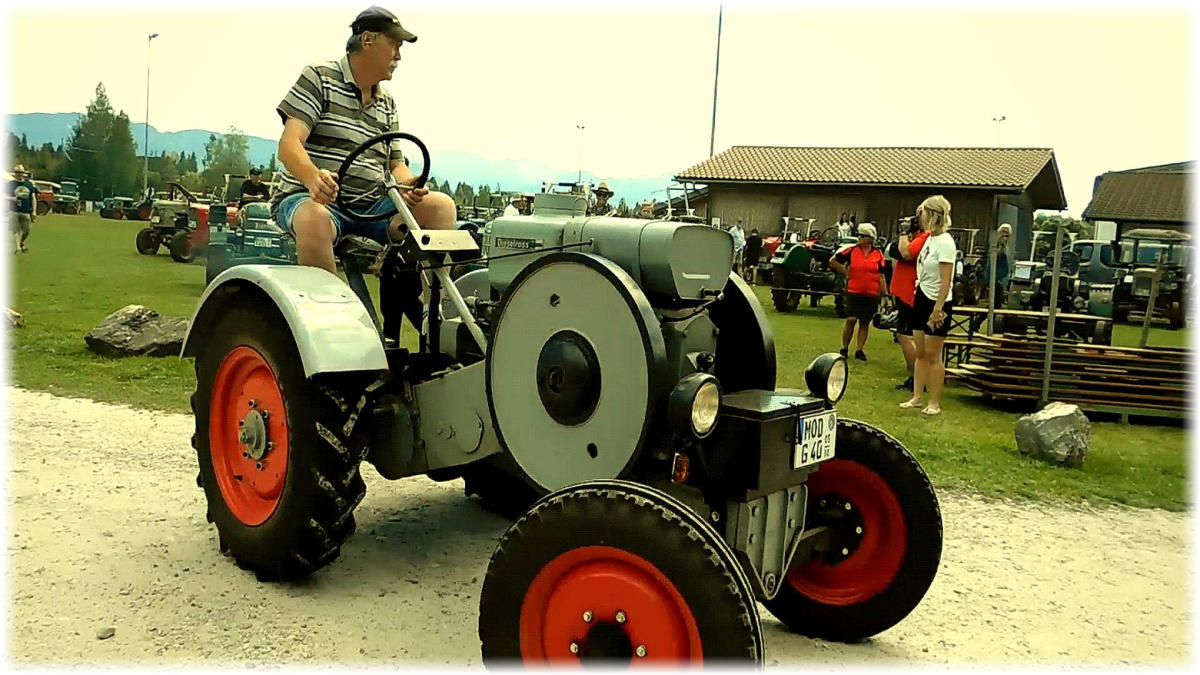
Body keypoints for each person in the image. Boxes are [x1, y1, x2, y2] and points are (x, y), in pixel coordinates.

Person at [270, 6, 456, 279]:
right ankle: (328, 303)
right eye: (394, 45)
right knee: (314, 218)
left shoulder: (387, 103)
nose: (398, 56)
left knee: (441, 207)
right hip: (312, 200)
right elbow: (289, 145)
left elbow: (395, 165)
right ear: (368, 40)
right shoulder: (319, 77)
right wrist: (313, 179)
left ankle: (430, 301)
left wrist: (409, 185)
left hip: (373, 208)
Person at [901, 195, 958, 416]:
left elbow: (946, 280)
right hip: (922, 297)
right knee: (921, 352)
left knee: (934, 355)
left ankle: (934, 402)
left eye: (923, 213)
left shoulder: (946, 242)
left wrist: (938, 309)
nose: (920, 217)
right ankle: (917, 397)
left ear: (932, 215)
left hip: (937, 301)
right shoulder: (929, 239)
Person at [830, 223, 887, 361]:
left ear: (870, 238)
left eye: (863, 236)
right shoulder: (851, 250)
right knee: (851, 319)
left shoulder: (878, 254)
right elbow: (833, 261)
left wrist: (885, 293)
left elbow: (881, 275)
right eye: (859, 235)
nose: (860, 238)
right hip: (854, 291)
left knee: (865, 322)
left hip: (871, 292)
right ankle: (844, 348)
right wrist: (845, 272)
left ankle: (859, 350)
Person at [888, 215, 931, 390]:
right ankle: (917, 377)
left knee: (905, 336)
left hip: (910, 293)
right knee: (911, 336)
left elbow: (905, 253)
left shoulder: (923, 238)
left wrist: (904, 233)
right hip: (908, 292)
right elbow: (894, 250)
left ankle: (917, 378)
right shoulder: (922, 238)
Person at [7, 165, 37, 253]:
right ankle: (18, 248)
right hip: (14, 211)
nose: (19, 174)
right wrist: (12, 199)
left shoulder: (29, 184)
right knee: (15, 230)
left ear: (24, 173)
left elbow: (33, 198)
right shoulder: (11, 184)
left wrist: (34, 211)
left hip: (26, 211)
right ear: (15, 173)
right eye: (17, 172)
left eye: (21, 172)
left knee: (26, 231)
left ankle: (21, 242)